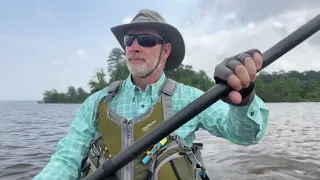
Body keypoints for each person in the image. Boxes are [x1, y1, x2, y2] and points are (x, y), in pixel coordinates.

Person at [34, 8, 269, 180]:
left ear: (166, 50)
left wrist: (244, 97)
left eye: (146, 40)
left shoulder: (190, 99)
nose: (134, 47)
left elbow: (245, 135)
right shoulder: (96, 102)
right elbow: (66, 160)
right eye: (129, 40)